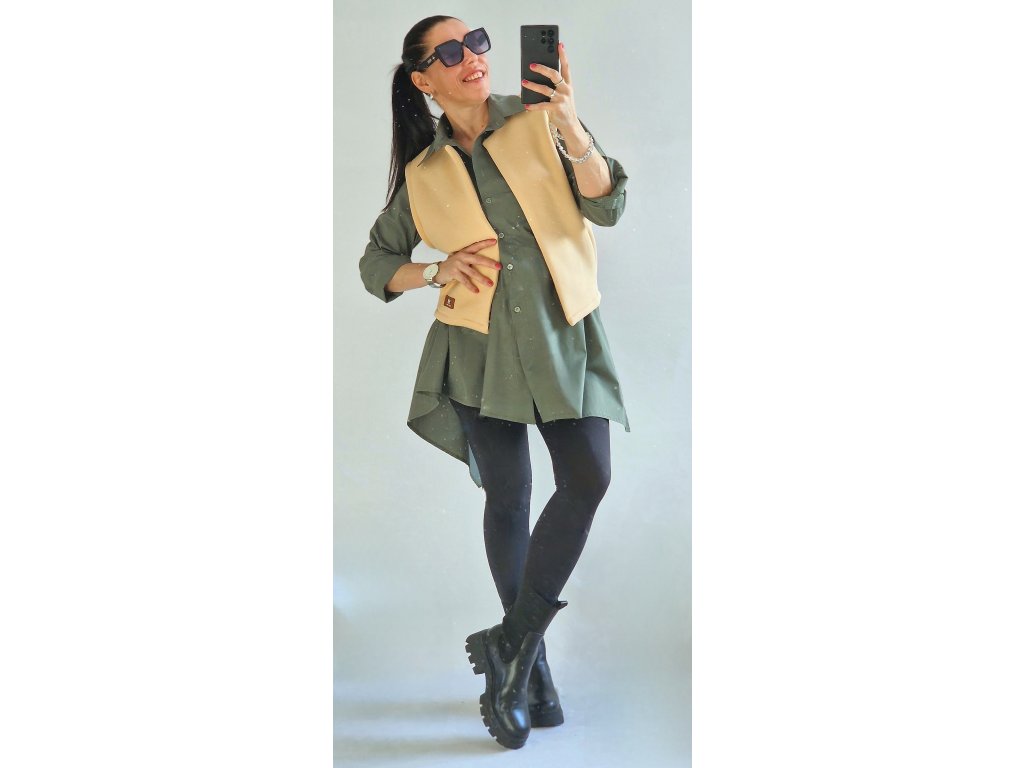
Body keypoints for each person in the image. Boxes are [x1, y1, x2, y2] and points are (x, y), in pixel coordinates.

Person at [358, 15, 631, 750]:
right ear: (424, 79)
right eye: (450, 52)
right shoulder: (425, 172)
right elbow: (376, 262)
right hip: (475, 345)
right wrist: (433, 271)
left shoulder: (540, 120)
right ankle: (528, 670)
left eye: (476, 41)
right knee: (509, 497)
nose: (472, 57)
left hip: (561, 329)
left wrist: (569, 121)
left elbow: (607, 202)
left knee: (588, 476)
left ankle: (510, 645)